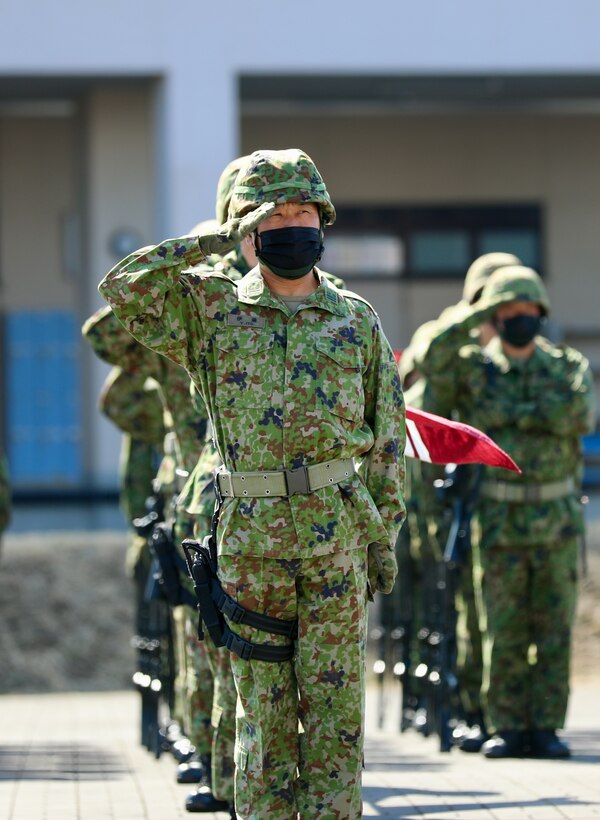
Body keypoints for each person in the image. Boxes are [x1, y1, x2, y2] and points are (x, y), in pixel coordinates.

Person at [99, 147, 405, 819]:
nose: (292, 225)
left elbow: (387, 440)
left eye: (303, 211)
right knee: (260, 723)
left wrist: (383, 536)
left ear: (322, 220)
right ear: (249, 231)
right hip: (248, 546)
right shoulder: (208, 311)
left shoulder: (354, 318)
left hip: (336, 541)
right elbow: (123, 291)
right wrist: (209, 239)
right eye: (274, 215)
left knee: (335, 718)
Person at [414, 265, 595, 759]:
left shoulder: (567, 366)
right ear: (494, 315)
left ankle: (547, 728)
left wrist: (504, 411)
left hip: (556, 522)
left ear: (542, 313)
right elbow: (428, 358)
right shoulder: (473, 366)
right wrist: (472, 313)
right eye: (508, 311)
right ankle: (509, 726)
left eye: (528, 309)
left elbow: (578, 415)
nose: (520, 318)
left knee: (554, 629)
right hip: (498, 521)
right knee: (501, 630)